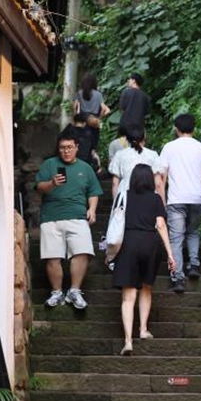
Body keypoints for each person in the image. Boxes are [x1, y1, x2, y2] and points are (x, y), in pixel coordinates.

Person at [34, 126, 103, 310]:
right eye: (62, 147)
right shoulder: (49, 164)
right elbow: (39, 187)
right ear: (58, 148)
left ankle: (74, 291)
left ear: (77, 147)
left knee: (82, 252)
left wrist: (93, 209)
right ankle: (56, 292)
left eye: (69, 147)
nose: (66, 151)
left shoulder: (85, 168)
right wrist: (52, 183)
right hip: (51, 216)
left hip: (78, 216)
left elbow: (93, 192)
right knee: (52, 256)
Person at [112, 164, 175, 356]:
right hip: (150, 243)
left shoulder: (124, 196)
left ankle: (128, 341)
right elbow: (161, 225)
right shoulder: (155, 199)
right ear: (149, 179)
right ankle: (143, 329)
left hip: (128, 242)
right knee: (146, 286)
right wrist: (170, 254)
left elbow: (116, 219)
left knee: (128, 296)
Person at [158, 113, 201, 293]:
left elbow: (162, 177)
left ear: (176, 129)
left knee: (176, 237)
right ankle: (194, 264)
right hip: (197, 198)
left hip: (176, 198)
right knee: (193, 231)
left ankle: (178, 278)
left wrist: (162, 200)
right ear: (194, 129)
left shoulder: (168, 148)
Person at [108, 124, 164, 201]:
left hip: (125, 197)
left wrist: (116, 203)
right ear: (144, 137)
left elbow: (115, 183)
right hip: (148, 198)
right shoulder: (152, 155)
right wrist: (162, 206)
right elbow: (158, 183)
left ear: (127, 139)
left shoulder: (120, 155)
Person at [73, 73, 110, 151]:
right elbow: (105, 110)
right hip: (94, 122)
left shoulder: (79, 93)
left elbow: (74, 107)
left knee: (81, 144)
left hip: (82, 120)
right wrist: (99, 117)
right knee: (93, 147)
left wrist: (76, 114)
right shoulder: (98, 94)